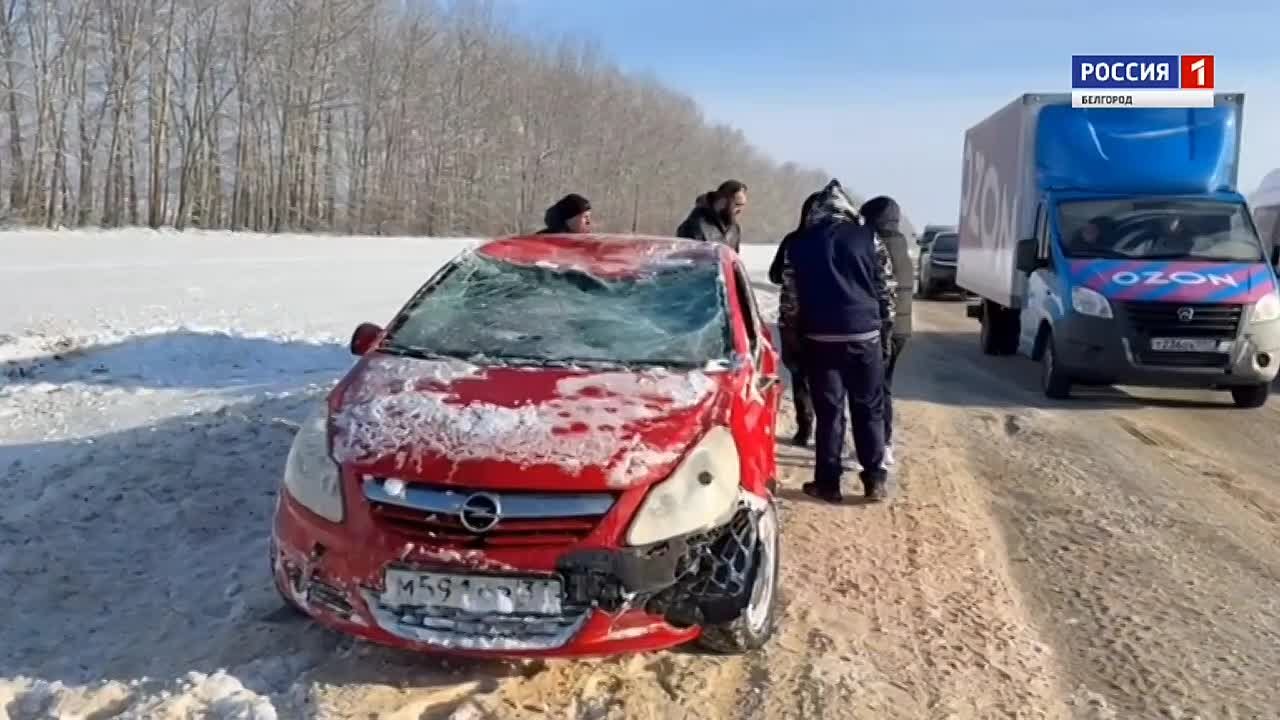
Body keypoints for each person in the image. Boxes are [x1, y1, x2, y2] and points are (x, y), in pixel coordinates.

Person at [787, 179, 896, 503]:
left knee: (830, 412)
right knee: (869, 408)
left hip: (820, 338)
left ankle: (828, 483)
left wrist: (792, 339)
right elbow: (885, 290)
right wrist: (884, 332)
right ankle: (874, 479)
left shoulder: (800, 243)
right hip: (864, 336)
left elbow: (790, 300)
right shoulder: (869, 238)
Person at [858, 195, 912, 466]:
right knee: (884, 386)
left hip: (881, 328)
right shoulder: (901, 243)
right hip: (902, 328)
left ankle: (878, 444)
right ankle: (885, 443)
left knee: (871, 390)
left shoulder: (875, 245)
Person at [768, 192, 822, 447]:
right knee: (824, 375)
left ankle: (804, 427)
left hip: (792, 318)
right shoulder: (828, 241)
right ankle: (827, 429)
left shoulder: (793, 240)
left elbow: (775, 275)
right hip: (823, 318)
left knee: (799, 374)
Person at [675, 180, 747, 252]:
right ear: (722, 201)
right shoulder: (694, 225)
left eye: (743, 205)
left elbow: (733, 259)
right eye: (737, 205)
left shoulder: (734, 229)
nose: (740, 210)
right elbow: (686, 258)